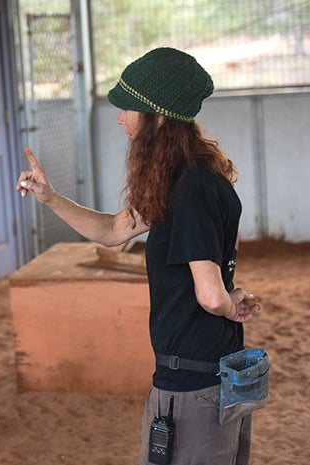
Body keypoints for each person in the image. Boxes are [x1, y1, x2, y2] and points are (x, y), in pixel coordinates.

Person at [16, 47, 262, 465]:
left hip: (192, 385)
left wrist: (231, 301)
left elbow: (210, 295)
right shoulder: (184, 177)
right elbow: (113, 231)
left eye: (127, 108)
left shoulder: (191, 188)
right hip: (211, 374)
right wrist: (51, 198)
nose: (119, 118)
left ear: (159, 116)